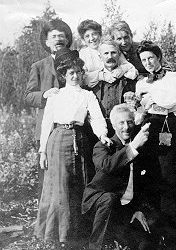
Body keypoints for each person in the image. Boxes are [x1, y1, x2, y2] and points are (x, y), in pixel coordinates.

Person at [34, 48, 110, 248]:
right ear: (64, 75)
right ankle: (60, 236)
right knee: (61, 187)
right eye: (71, 73)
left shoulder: (87, 95)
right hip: (58, 140)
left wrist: (102, 134)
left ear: (82, 73)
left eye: (78, 72)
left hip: (81, 140)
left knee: (81, 184)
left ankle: (80, 232)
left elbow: (96, 118)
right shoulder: (55, 95)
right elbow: (47, 123)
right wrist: (42, 151)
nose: (75, 76)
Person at [135, 40, 176, 246]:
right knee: (153, 175)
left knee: (172, 175)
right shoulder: (141, 82)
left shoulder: (173, 76)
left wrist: (149, 98)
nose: (148, 62)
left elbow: (170, 101)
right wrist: (145, 101)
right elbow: (140, 106)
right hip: (150, 126)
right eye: (143, 59)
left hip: (168, 125)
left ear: (158, 57)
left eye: (151, 57)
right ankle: (156, 233)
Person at [82, 103, 164, 250]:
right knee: (109, 199)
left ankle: (120, 240)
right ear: (113, 125)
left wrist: (139, 209)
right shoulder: (103, 146)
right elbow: (108, 166)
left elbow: (142, 183)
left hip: (124, 208)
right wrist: (132, 148)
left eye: (129, 122)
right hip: (98, 204)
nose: (126, 127)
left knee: (146, 242)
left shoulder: (139, 147)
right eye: (121, 123)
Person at [24, 19, 73, 200]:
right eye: (53, 36)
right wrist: (44, 94)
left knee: (72, 178)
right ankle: (45, 223)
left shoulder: (76, 64)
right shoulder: (39, 66)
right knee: (46, 178)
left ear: (67, 40)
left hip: (72, 131)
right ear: (46, 41)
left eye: (62, 36)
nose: (58, 39)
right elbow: (28, 96)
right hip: (48, 130)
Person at [92, 38, 137, 136]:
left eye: (113, 53)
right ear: (100, 57)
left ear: (119, 55)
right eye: (106, 53)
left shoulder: (129, 79)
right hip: (100, 130)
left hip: (124, 131)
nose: (110, 56)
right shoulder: (94, 81)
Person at [77, 19, 138, 88]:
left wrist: (122, 69)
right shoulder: (83, 54)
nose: (92, 38)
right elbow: (81, 77)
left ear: (99, 34)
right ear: (83, 39)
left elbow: (129, 67)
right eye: (87, 36)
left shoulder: (110, 47)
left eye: (94, 34)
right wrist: (101, 75)